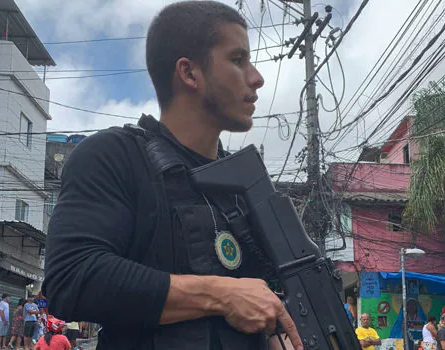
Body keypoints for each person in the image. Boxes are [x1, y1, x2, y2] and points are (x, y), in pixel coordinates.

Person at [40, 2, 304, 350]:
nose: (256, 77)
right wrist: (220, 295)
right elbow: (71, 278)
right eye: (238, 60)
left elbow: (265, 301)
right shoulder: (115, 156)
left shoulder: (245, 188)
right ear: (189, 73)